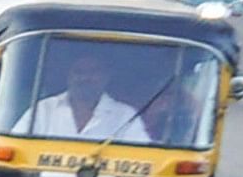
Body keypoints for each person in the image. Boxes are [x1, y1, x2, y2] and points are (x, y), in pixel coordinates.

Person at [24, 42, 161, 142]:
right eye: (79, 72)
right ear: (68, 76)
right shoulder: (43, 109)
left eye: (93, 72)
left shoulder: (125, 115)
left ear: (106, 76)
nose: (85, 78)